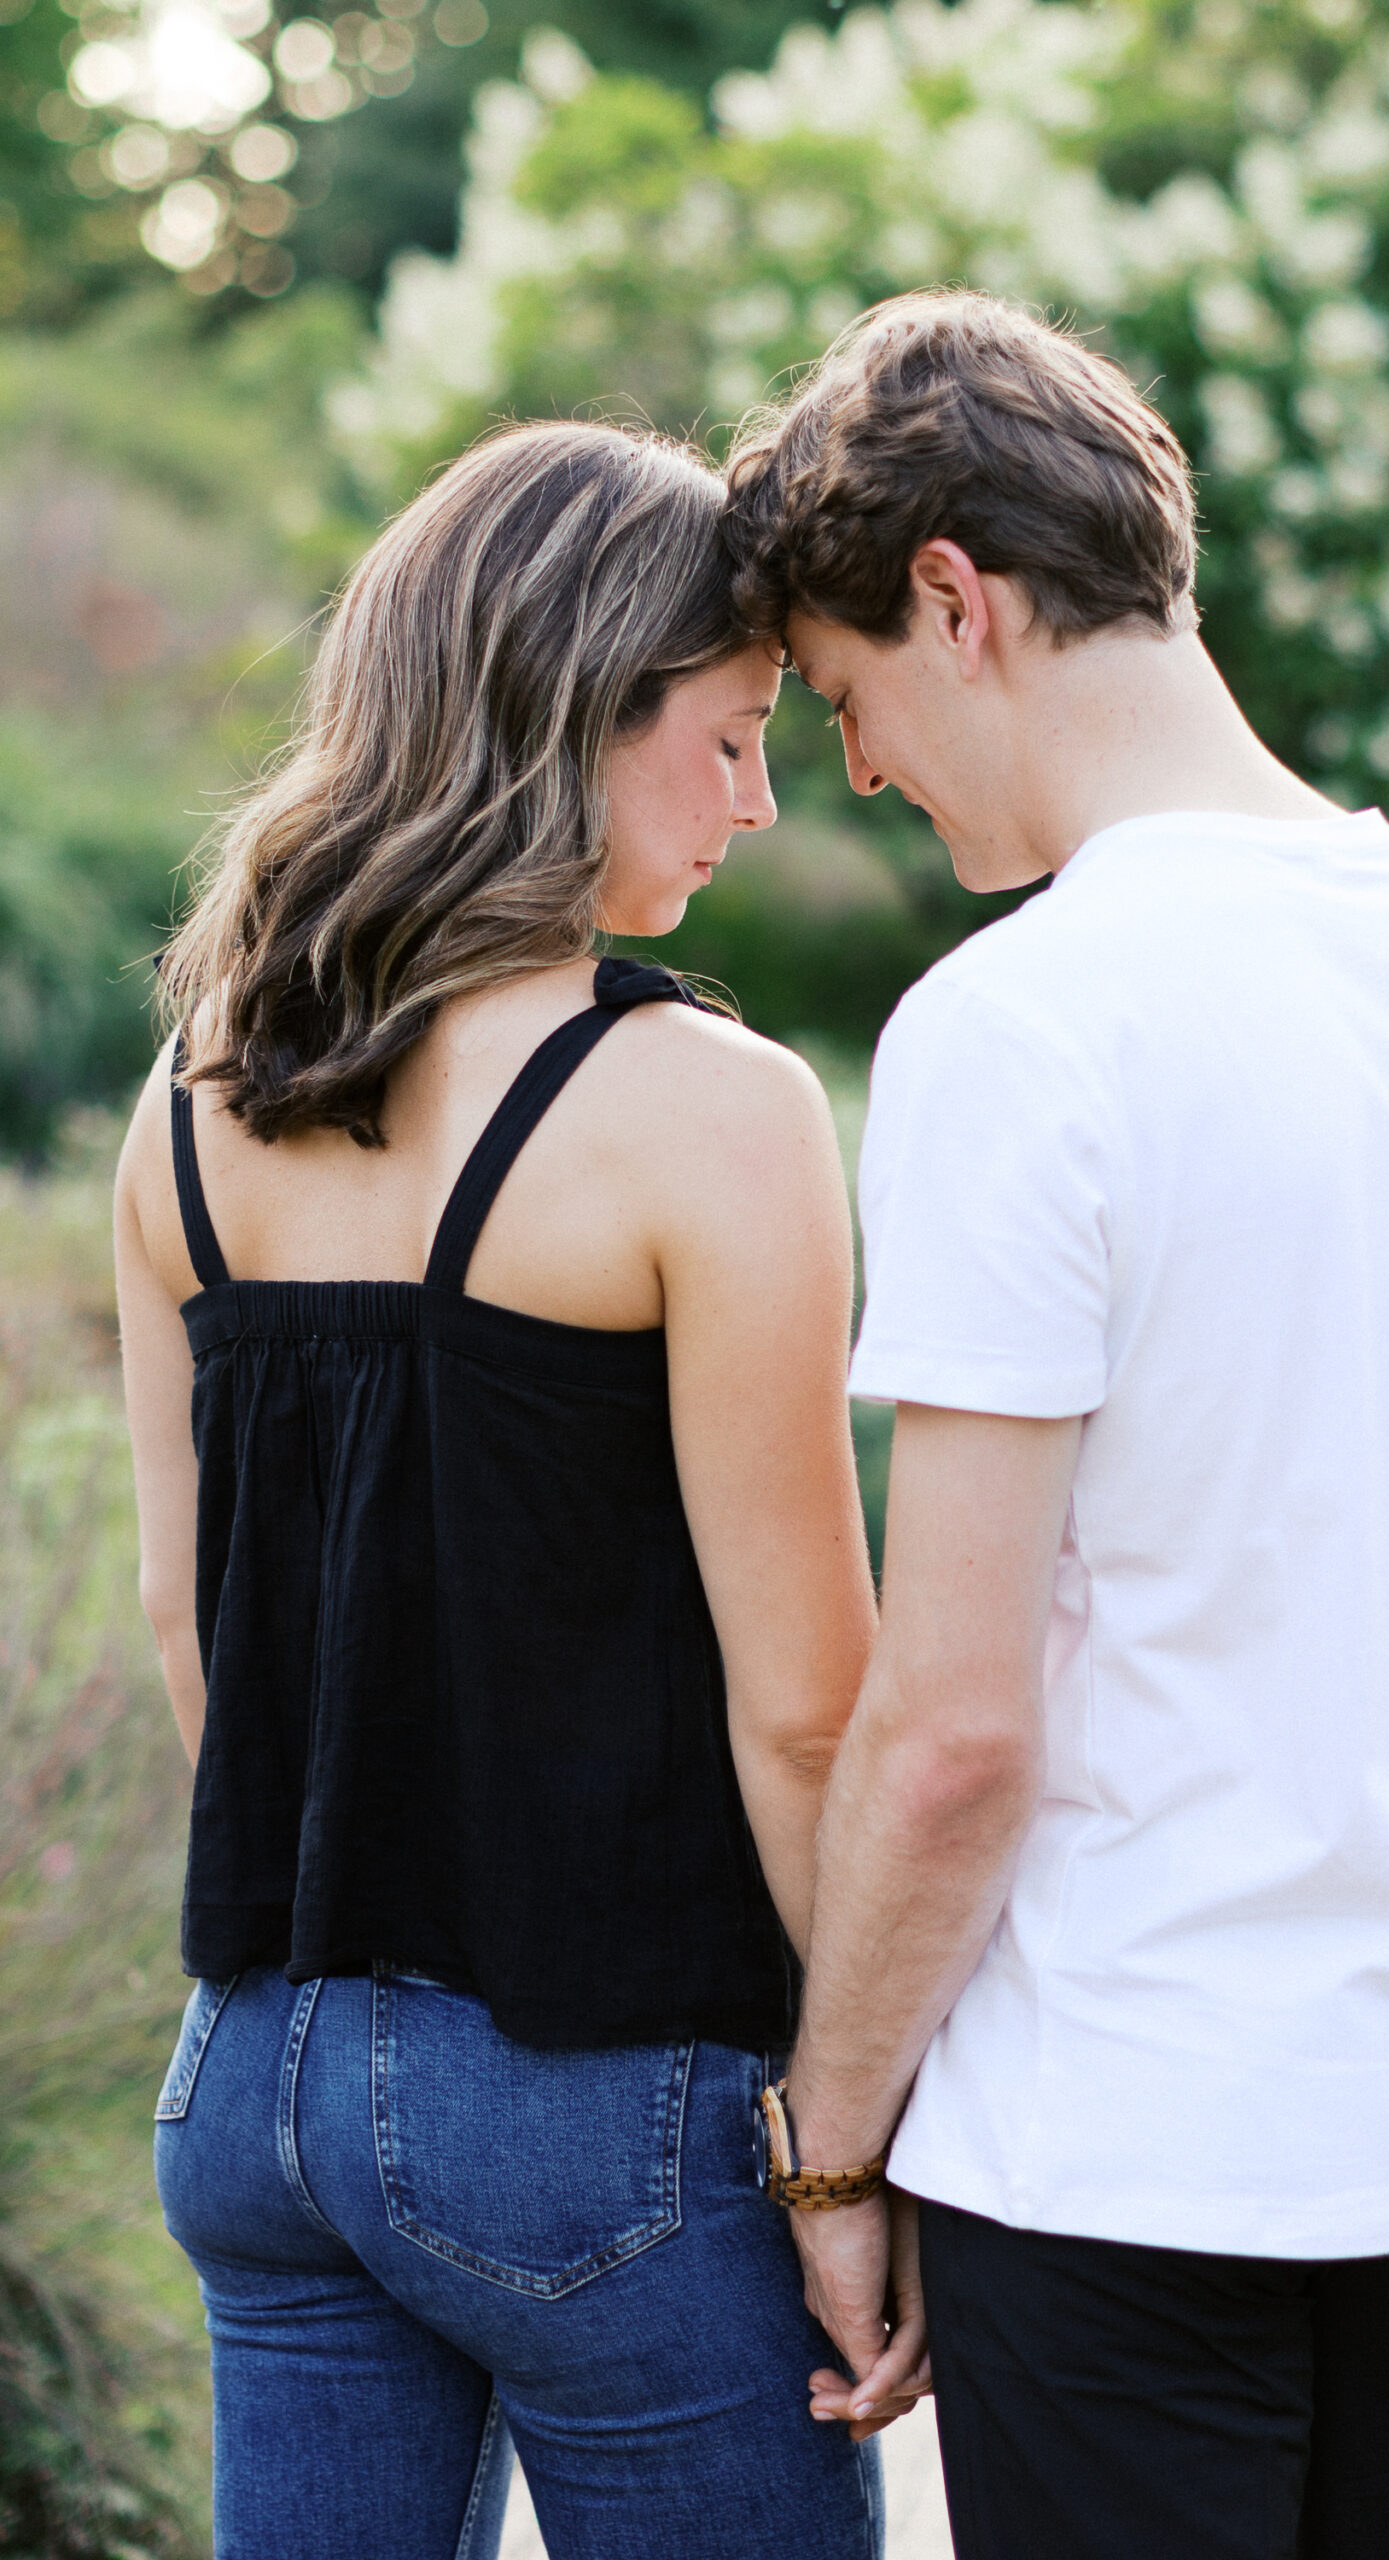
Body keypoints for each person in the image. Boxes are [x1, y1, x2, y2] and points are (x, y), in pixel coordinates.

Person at [721, 291, 1389, 2557]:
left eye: (845, 698)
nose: (858, 768)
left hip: (1127, 2157)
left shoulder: (1023, 1026)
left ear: (953, 594)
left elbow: (953, 1729)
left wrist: (833, 2148)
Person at [115, 420, 892, 2560]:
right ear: (569, 712)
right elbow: (808, 1708)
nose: (756, 797)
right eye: (728, 736)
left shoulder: (186, 1113)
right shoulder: (705, 1114)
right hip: (595, 2102)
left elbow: (196, 1628)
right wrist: (844, 2157)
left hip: (252, 2085)